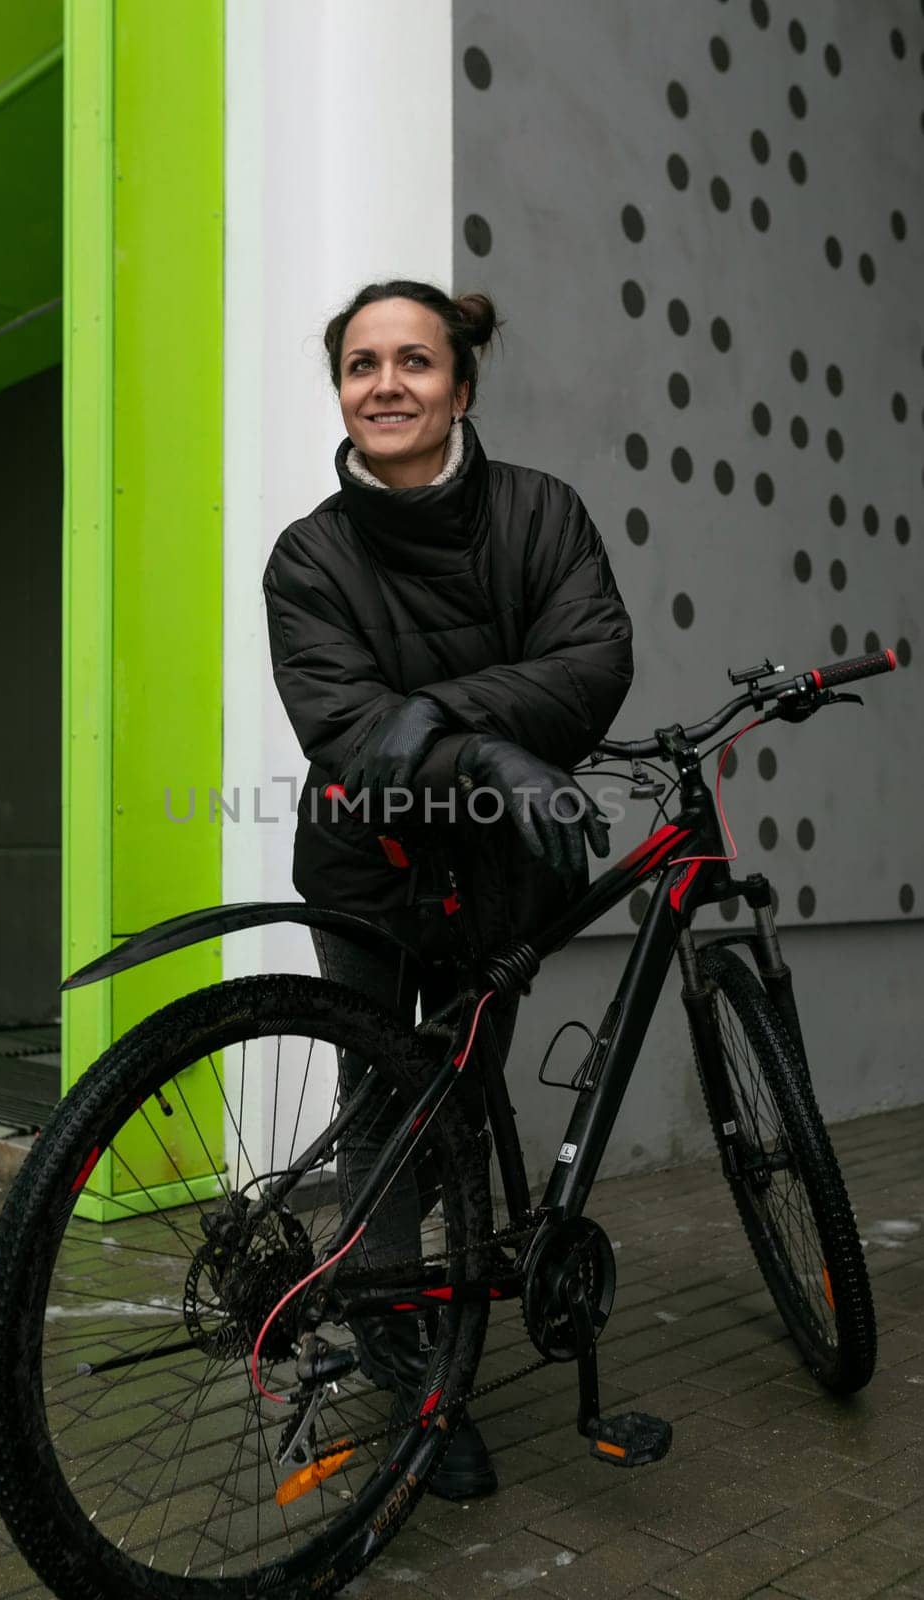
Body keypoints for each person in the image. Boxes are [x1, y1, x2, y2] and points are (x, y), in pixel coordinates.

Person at [262, 279, 634, 1498]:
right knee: (380, 1104)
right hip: (365, 865)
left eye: (412, 361)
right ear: (340, 390)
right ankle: (413, 1368)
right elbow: (350, 731)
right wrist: (480, 746)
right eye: (361, 364)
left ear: (459, 386)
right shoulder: (308, 555)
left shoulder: (541, 514)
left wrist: (444, 705)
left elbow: (590, 661)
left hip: (497, 874)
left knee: (461, 1104)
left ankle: (423, 1316)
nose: (385, 384)